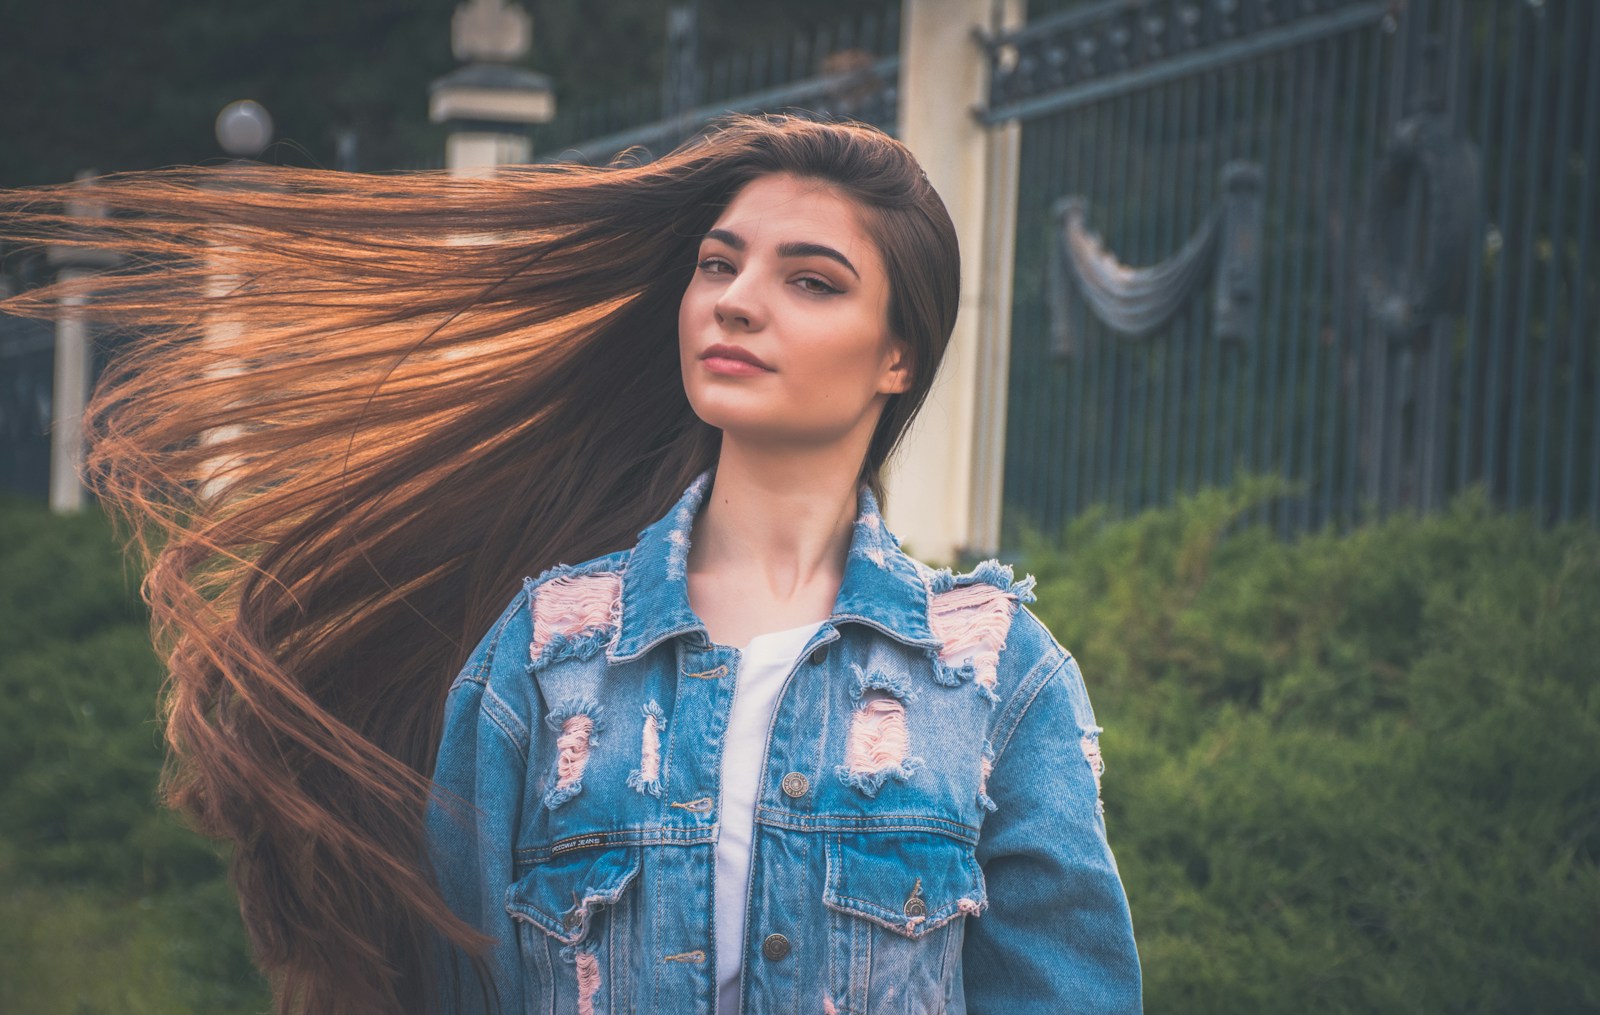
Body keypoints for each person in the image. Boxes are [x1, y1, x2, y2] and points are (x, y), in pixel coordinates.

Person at [1, 114, 1140, 1014]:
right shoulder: (547, 656)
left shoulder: (994, 677)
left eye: (810, 280)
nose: (736, 301)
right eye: (717, 264)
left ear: (898, 354)